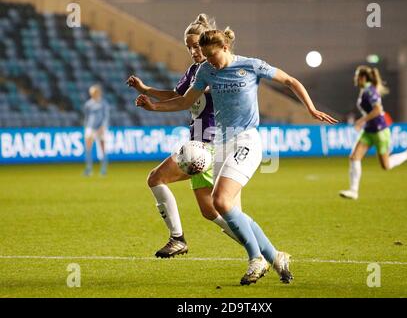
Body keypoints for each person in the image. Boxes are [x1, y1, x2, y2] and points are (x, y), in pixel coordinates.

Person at [134, 27, 338, 285]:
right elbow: (185, 101)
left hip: (246, 140)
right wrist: (154, 107)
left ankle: (256, 260)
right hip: (221, 143)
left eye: (212, 55)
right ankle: (276, 257)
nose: (208, 61)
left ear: (226, 48)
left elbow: (289, 81)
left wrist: (310, 108)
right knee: (227, 210)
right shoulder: (206, 70)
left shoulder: (251, 66)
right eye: (205, 55)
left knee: (220, 201)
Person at [126, 14, 240, 259]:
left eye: (196, 45)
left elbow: (186, 99)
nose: (192, 51)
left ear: (208, 42)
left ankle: (177, 239)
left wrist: (153, 105)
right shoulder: (193, 71)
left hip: (209, 144)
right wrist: (146, 90)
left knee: (156, 178)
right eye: (188, 47)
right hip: (199, 142)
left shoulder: (216, 69)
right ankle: (260, 250)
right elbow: (176, 95)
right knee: (210, 211)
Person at [339, 66, 407, 200]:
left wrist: (361, 120)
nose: (355, 78)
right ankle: (353, 191)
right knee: (354, 157)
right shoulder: (365, 90)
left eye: (357, 76)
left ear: (363, 78)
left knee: (385, 166)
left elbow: (377, 110)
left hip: (380, 131)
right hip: (368, 131)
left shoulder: (370, 91)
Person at [83, 84, 109, 176]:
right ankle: (89, 168)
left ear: (98, 92)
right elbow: (86, 117)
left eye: (94, 92)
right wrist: (86, 127)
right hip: (90, 128)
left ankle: (103, 169)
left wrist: (103, 127)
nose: (93, 94)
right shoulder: (88, 104)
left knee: (102, 149)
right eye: (92, 92)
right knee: (88, 148)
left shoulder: (103, 103)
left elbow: (106, 116)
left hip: (101, 128)